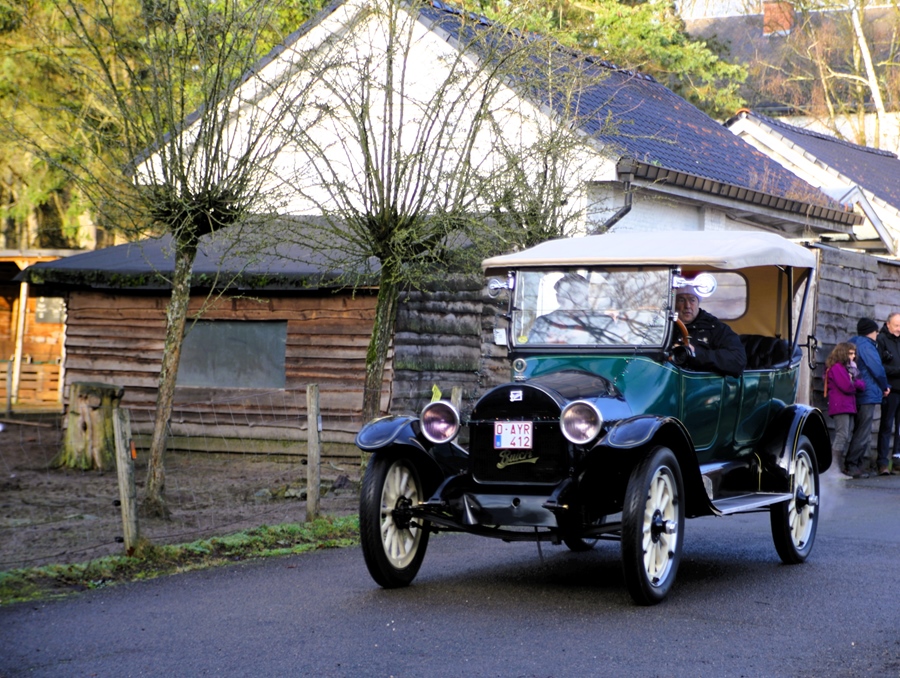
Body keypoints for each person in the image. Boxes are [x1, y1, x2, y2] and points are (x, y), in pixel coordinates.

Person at [671, 284, 746, 377]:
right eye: (681, 300)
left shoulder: (715, 327)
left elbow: (738, 361)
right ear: (674, 304)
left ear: (698, 303)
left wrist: (695, 352)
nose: (687, 306)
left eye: (692, 300)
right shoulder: (665, 326)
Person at [847, 317, 890, 479]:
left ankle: (857, 465)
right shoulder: (867, 345)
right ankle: (852, 465)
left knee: (859, 428)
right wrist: (885, 386)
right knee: (863, 431)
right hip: (867, 392)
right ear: (871, 332)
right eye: (876, 331)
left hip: (856, 391)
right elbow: (877, 369)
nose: (877, 334)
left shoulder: (853, 342)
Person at [824, 342, 865, 474]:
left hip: (848, 405)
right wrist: (854, 382)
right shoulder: (837, 367)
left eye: (854, 353)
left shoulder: (849, 368)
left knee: (845, 436)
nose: (853, 356)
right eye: (850, 353)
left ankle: (837, 469)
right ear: (843, 353)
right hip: (840, 405)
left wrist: (853, 381)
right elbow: (847, 386)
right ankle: (833, 469)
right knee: (841, 435)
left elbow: (862, 385)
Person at [875, 313, 900, 475]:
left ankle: (897, 460)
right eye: (896, 325)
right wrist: (898, 371)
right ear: (888, 324)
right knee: (886, 425)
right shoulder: (881, 340)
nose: (899, 329)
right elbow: (879, 366)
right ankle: (882, 462)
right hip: (890, 389)